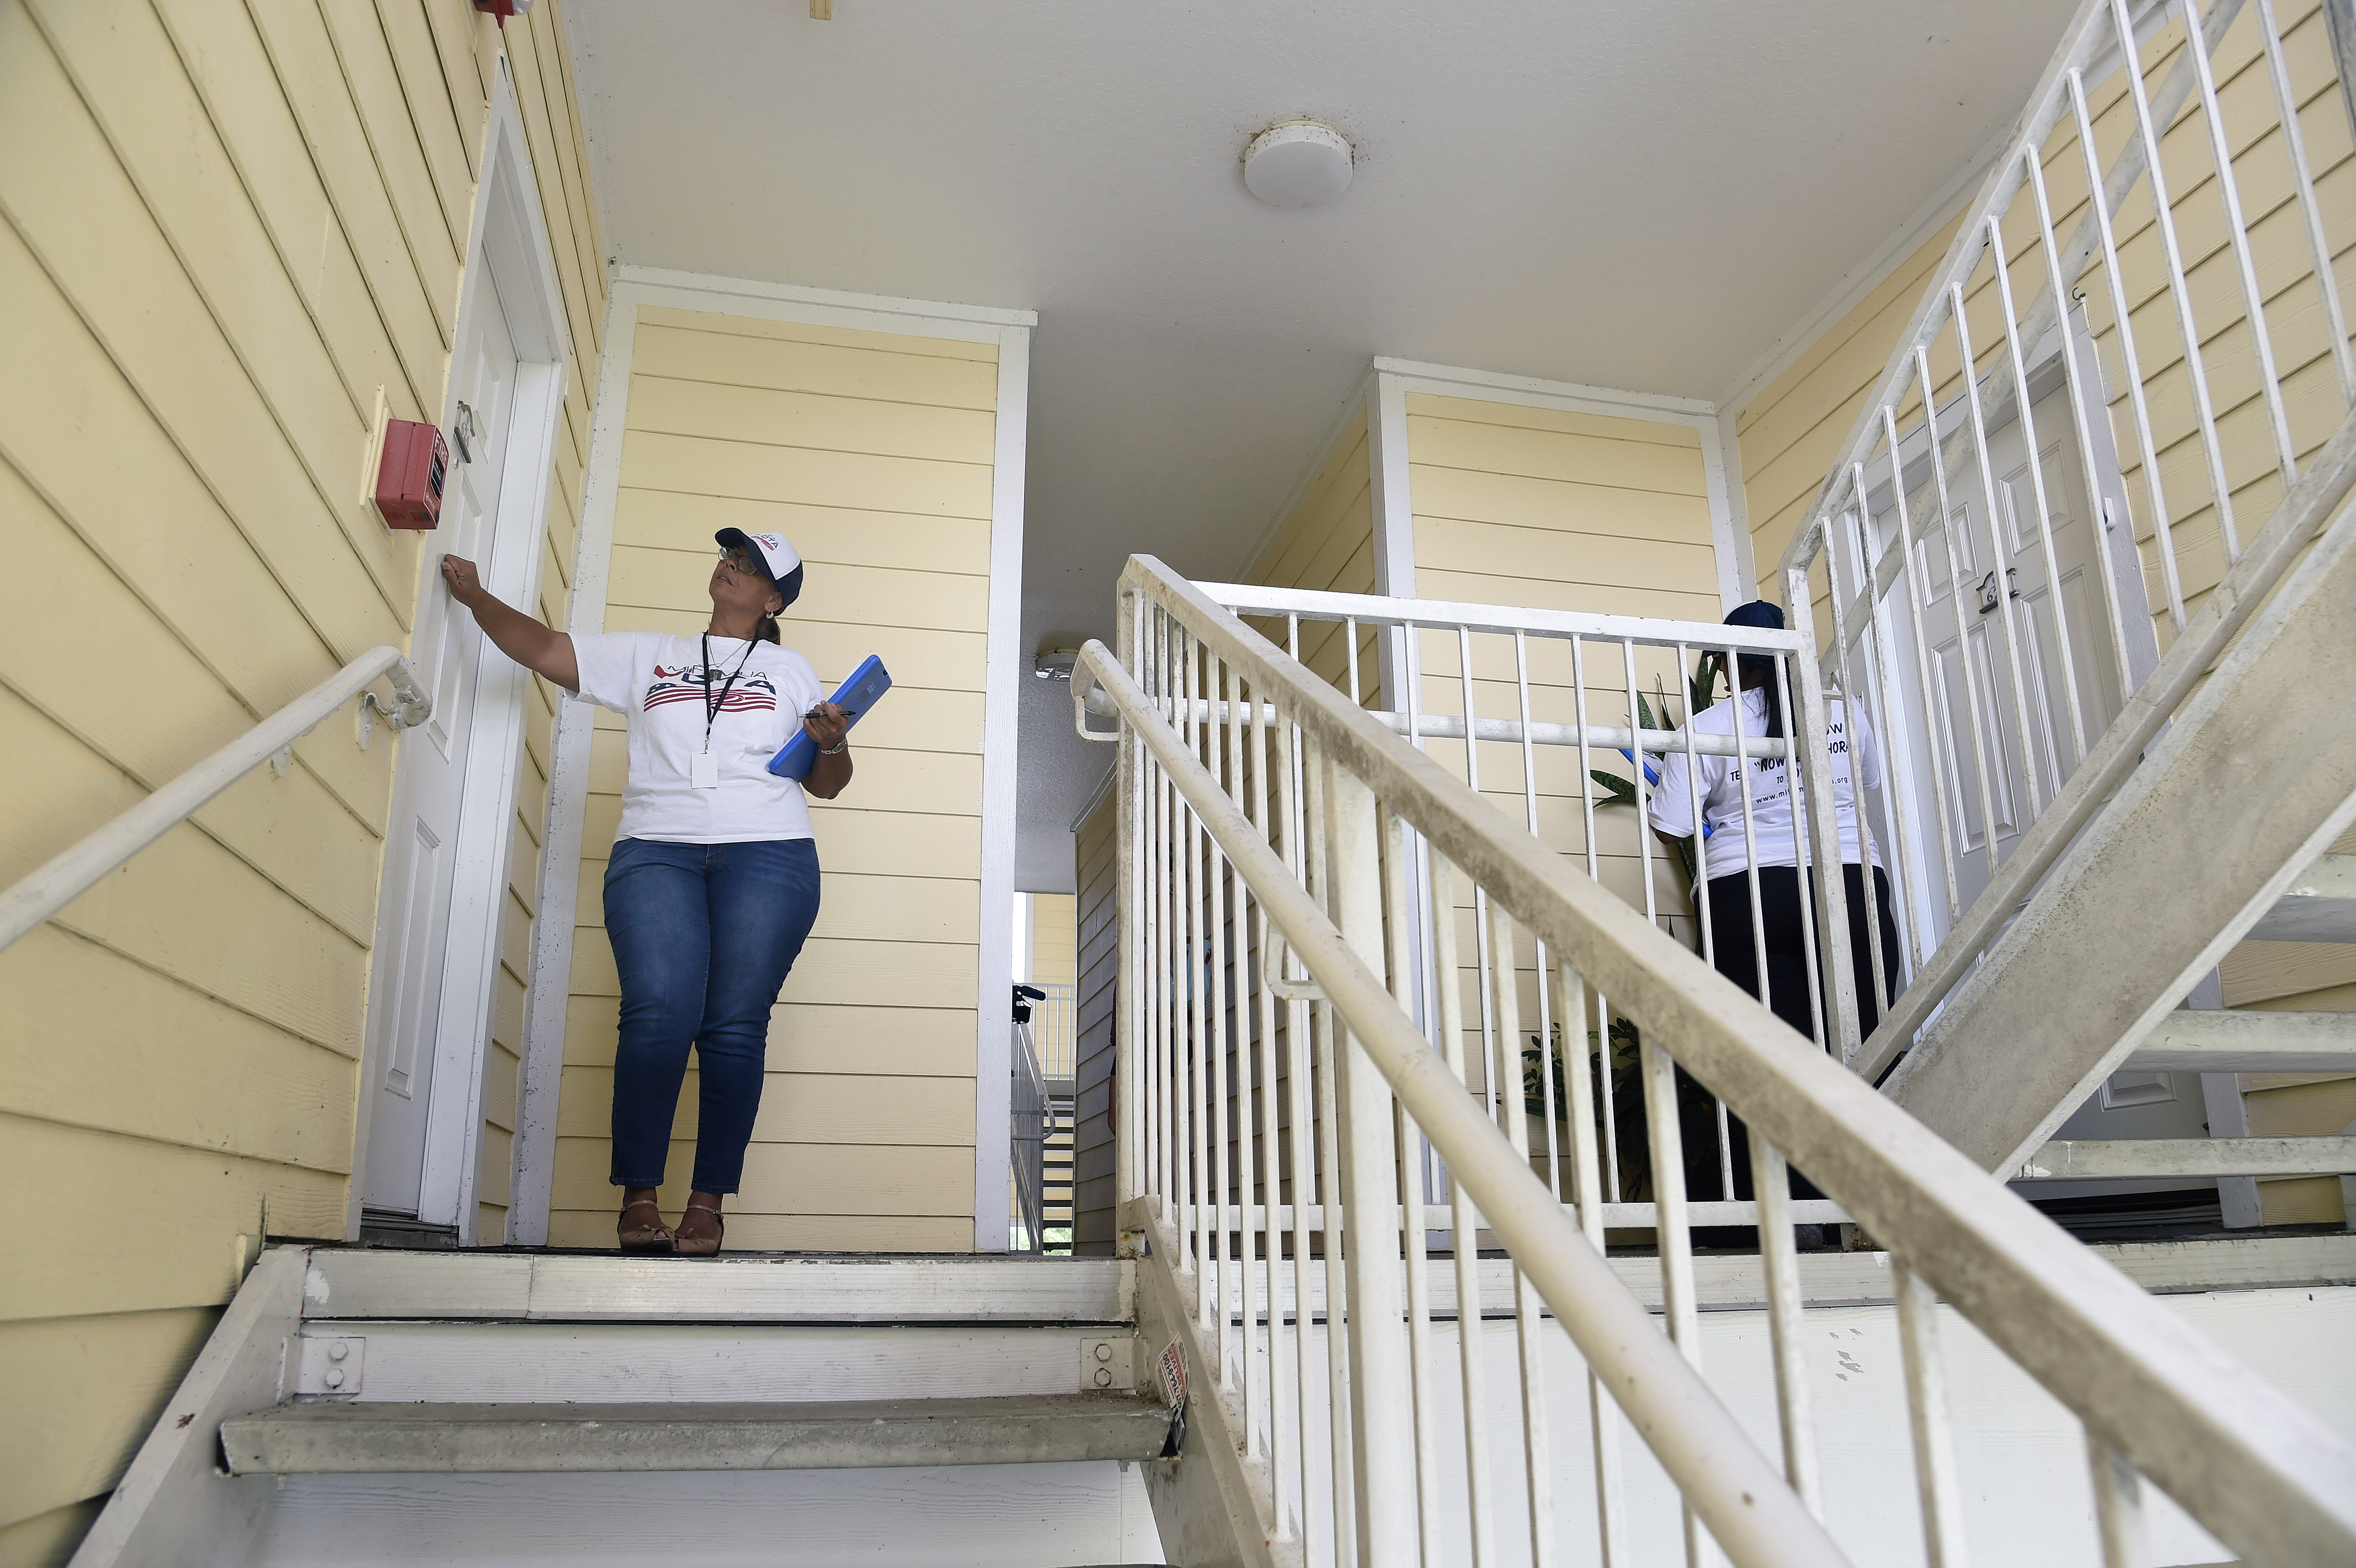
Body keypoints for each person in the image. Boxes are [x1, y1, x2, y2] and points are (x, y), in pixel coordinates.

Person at [440, 529, 852, 1255]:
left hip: (770, 855)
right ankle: (639, 1198)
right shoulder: (648, 654)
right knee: (659, 1010)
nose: (732, 567)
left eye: (752, 568)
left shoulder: (790, 670)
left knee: (733, 1026)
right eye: (731, 556)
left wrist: (831, 742)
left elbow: (826, 784)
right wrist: (475, 597)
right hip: (657, 848)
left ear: (772, 600)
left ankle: (706, 1205)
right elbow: (542, 649)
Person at [1645, 599, 1900, 1236]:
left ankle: (1786, 1211)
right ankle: (1860, 1201)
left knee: (1765, 1057)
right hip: (1851, 886)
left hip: (1750, 894)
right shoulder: (1842, 711)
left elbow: (1669, 822)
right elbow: (1866, 779)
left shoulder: (1711, 724)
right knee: (1860, 1049)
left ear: (1729, 666)